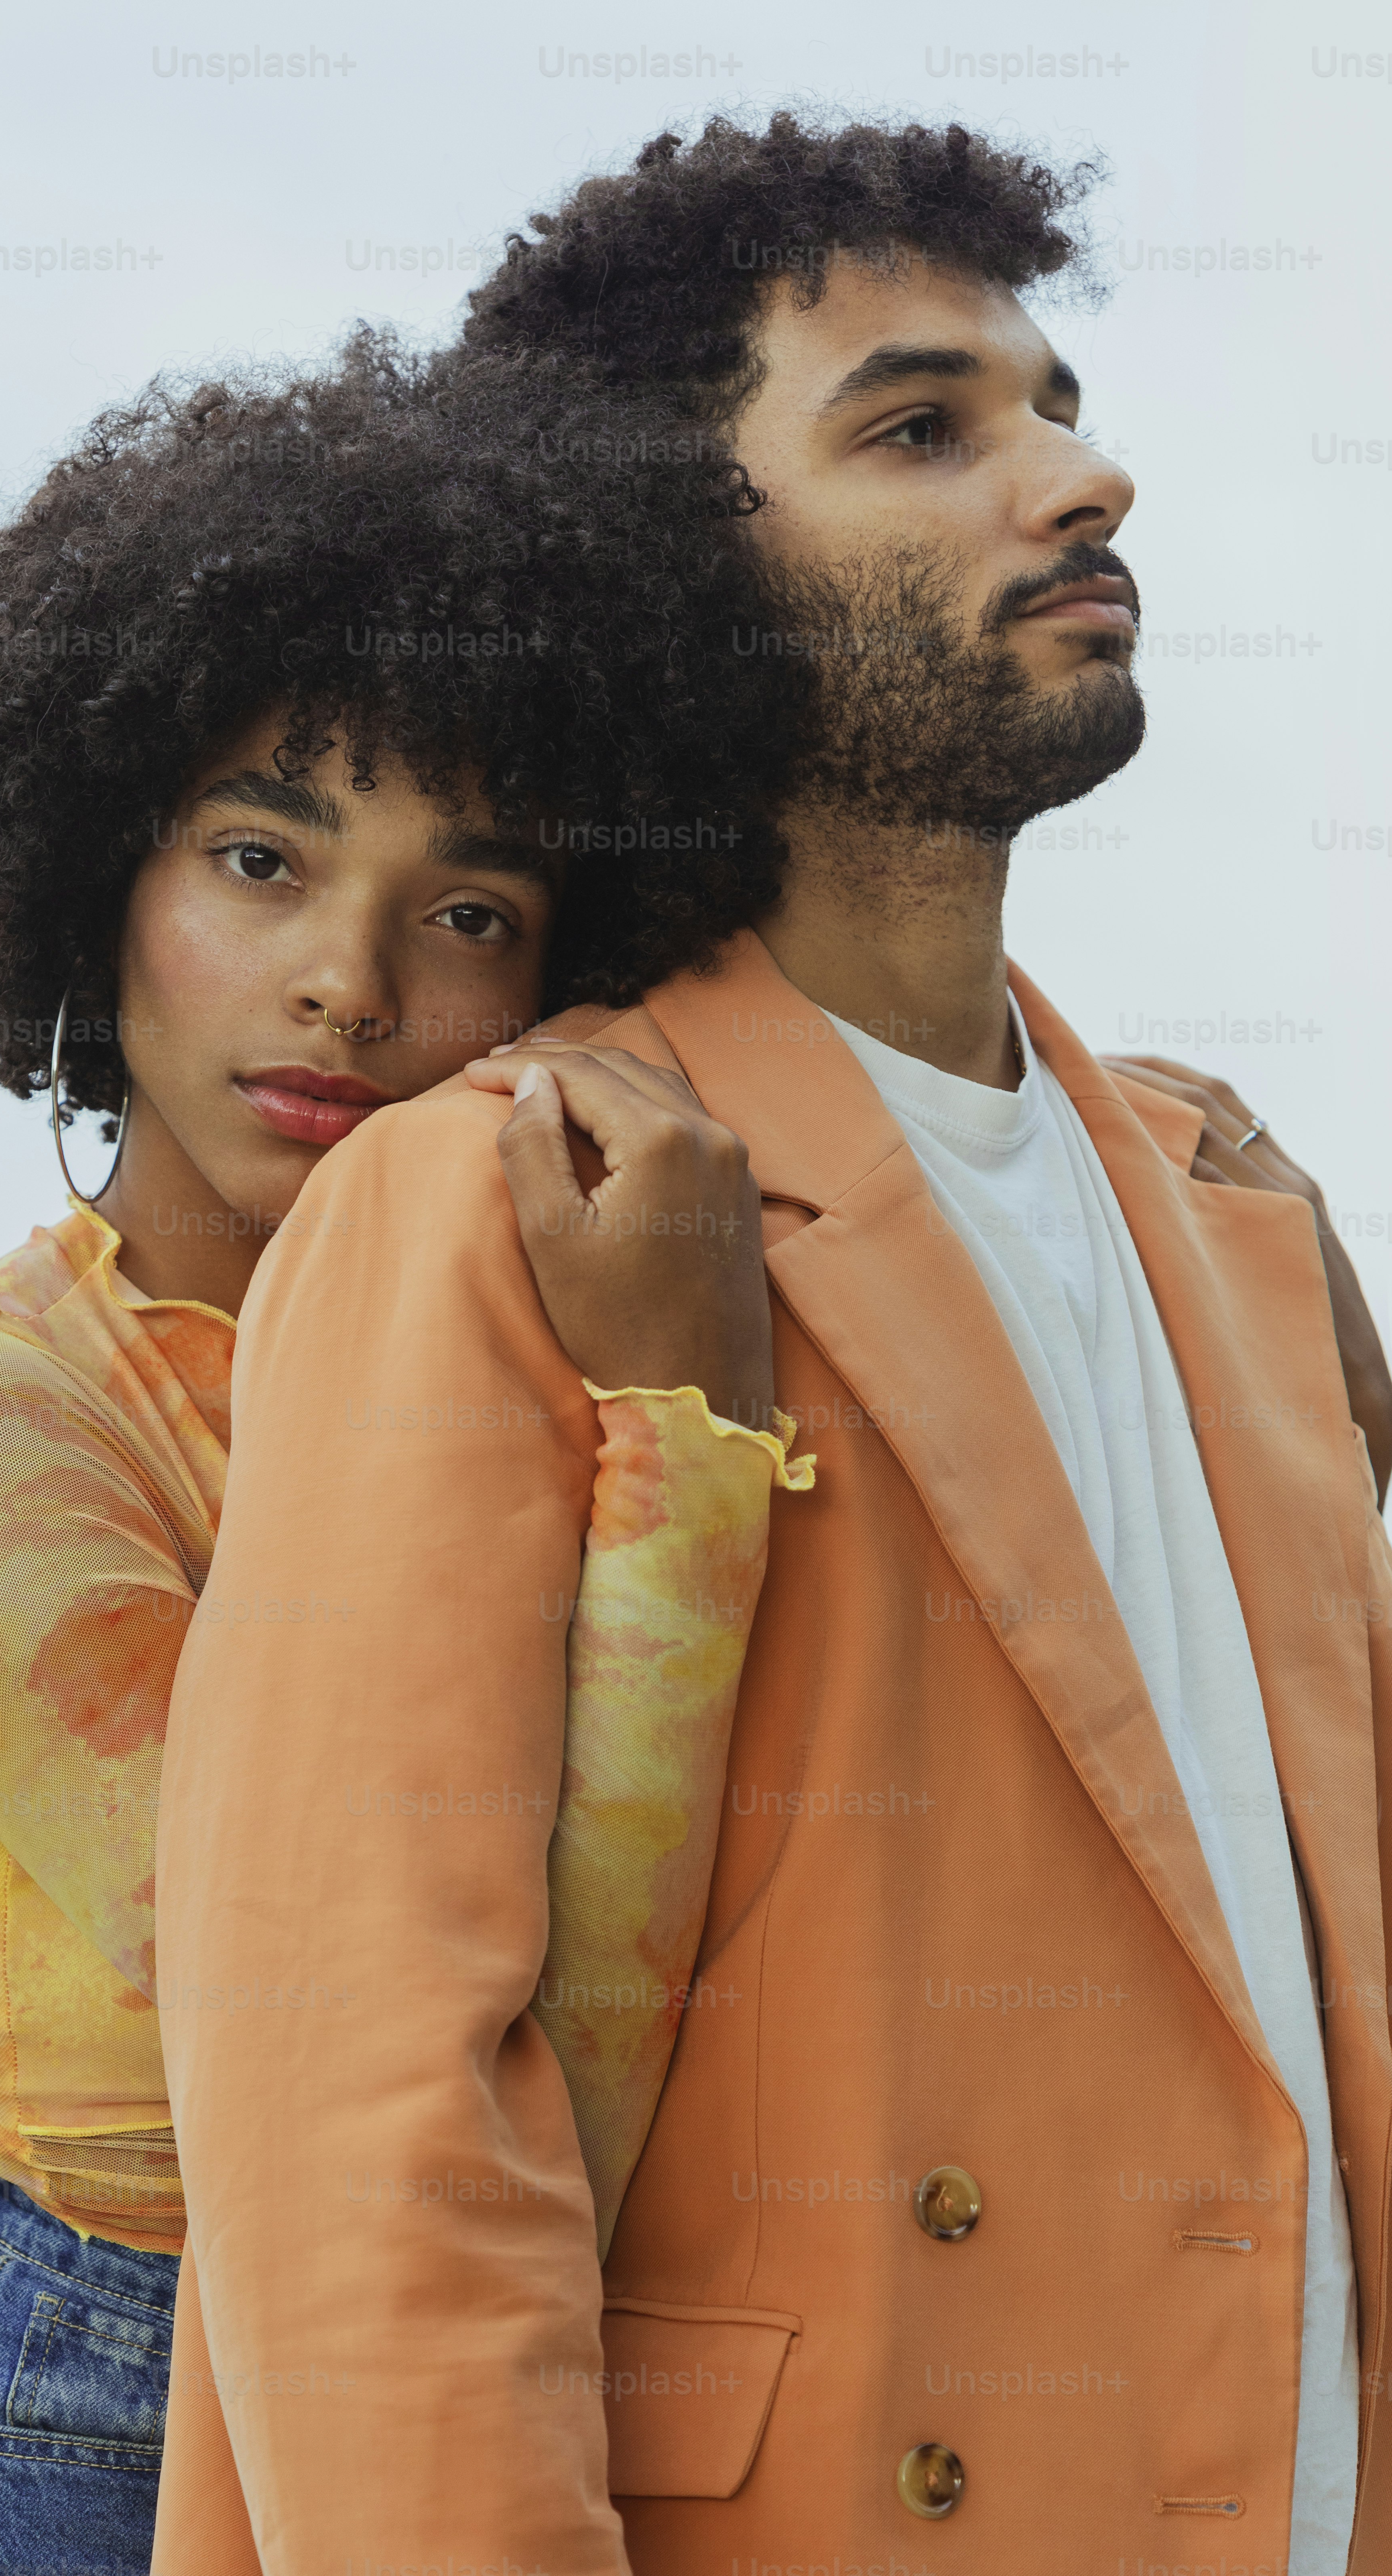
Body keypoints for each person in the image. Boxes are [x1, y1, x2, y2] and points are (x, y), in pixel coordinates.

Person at [153, 116, 1392, 2576]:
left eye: (1054, 400)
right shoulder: (502, 1193)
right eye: (920, 427)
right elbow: (361, 2125)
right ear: (662, 570)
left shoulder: (1239, 1232)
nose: (1079, 466)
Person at [0, 347, 814, 2576]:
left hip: (498, 2382)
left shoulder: (529, 1338)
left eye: (467, 910)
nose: (344, 984)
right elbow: (383, 2050)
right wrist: (687, 1445)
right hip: (68, 2418)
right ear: (92, 876)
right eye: (259, 857)